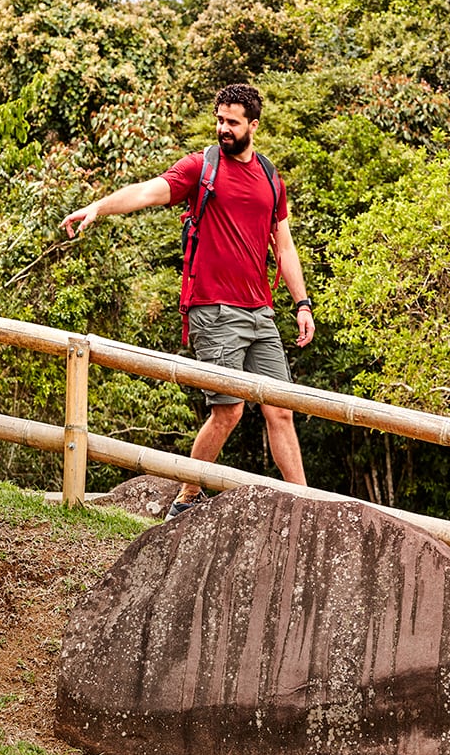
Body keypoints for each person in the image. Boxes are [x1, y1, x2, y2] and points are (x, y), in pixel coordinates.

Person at [60, 81, 314, 516]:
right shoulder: (203, 167)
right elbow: (148, 191)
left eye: (232, 122)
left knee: (281, 410)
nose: (223, 129)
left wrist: (302, 304)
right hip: (213, 309)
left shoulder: (272, 178)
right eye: (219, 120)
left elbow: (283, 246)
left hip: (261, 311)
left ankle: (306, 506)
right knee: (228, 413)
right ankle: (187, 498)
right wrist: (98, 207)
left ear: (253, 125)